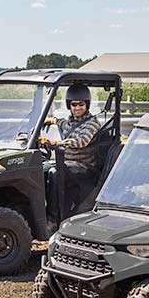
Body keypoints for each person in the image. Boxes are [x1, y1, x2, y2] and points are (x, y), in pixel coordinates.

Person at [40, 83, 104, 220]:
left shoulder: (92, 123)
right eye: (74, 105)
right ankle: (40, 213)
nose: (77, 108)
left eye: (81, 104)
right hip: (68, 163)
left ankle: (52, 218)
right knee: (40, 170)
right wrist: (50, 120)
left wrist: (55, 143)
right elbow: (61, 122)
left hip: (85, 165)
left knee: (55, 173)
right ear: (69, 105)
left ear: (87, 104)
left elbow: (81, 141)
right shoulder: (70, 122)